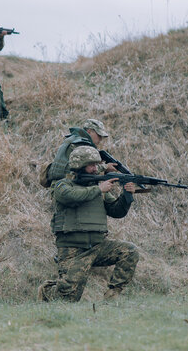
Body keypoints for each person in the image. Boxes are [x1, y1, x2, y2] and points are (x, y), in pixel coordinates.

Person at [37, 146, 139, 302]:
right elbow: (70, 196)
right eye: (91, 165)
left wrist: (127, 195)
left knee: (129, 251)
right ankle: (47, 291)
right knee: (68, 298)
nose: (95, 168)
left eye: (96, 164)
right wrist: (99, 189)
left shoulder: (98, 188)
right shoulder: (63, 185)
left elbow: (116, 211)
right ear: (79, 165)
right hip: (73, 249)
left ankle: (112, 295)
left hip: (98, 246)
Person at [42, 119, 117, 187]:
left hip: (60, 185)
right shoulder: (82, 144)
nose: (100, 139)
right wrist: (105, 167)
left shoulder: (72, 139)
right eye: (99, 135)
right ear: (89, 131)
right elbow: (84, 171)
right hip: (67, 187)